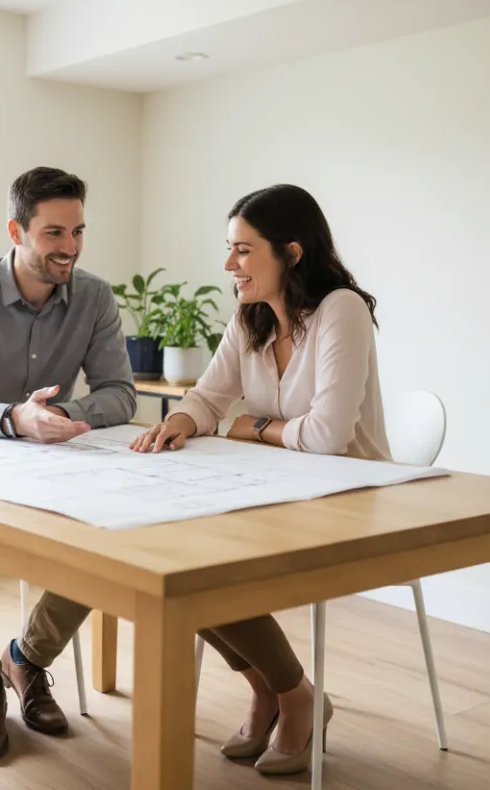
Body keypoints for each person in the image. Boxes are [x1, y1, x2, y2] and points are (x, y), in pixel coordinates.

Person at [129, 183, 388, 776]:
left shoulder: (340, 310)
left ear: (291, 253)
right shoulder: (250, 318)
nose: (229, 265)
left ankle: (293, 695)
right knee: (178, 560)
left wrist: (257, 425)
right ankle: (278, 689)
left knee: (201, 566)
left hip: (353, 498)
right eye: (230, 250)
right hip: (279, 490)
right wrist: (186, 422)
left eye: (243, 251)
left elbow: (327, 438)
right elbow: (210, 395)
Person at [0, 166, 137, 760]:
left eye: (78, 232)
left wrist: (59, 412)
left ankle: (26, 659)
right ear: (17, 230)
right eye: (53, 233)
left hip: (63, 468)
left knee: (110, 543)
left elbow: (120, 392)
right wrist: (15, 418)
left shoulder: (93, 295)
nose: (69, 247)